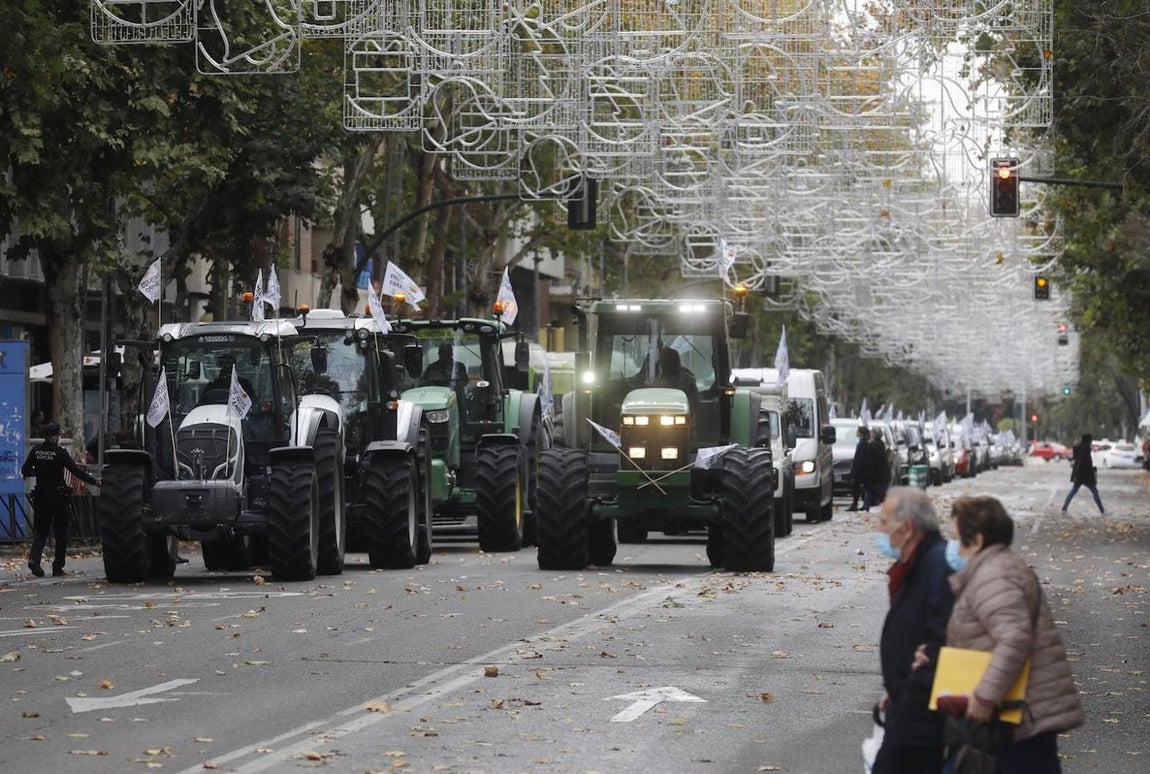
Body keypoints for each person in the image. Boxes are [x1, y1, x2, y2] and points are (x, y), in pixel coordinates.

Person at [943, 496, 1083, 773]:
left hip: (1017, 718)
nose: (954, 549)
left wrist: (985, 697)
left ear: (978, 540)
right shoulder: (996, 569)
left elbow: (1014, 638)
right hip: (1016, 714)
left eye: (958, 539)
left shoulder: (995, 575)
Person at [872, 487, 955, 774]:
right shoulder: (915, 565)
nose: (879, 530)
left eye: (884, 522)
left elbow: (943, 637)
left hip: (922, 719)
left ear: (907, 528)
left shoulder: (936, 565)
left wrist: (909, 692)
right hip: (909, 712)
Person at [21, 422, 102, 577]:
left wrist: (36, 471)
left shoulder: (35, 451)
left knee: (41, 532)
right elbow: (76, 471)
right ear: (53, 436)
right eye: (58, 435)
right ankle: (57, 567)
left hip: (41, 497)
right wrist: (95, 482)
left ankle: (34, 560)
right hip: (58, 498)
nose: (59, 437)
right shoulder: (60, 453)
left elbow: (25, 470)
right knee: (61, 534)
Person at [1061, 433, 1104, 514]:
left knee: (1073, 491)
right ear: (1088, 440)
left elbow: (1077, 461)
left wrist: (1077, 475)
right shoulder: (1085, 449)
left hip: (1079, 474)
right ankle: (1102, 509)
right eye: (1090, 439)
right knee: (1094, 491)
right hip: (1085, 475)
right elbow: (1083, 463)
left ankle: (1064, 507)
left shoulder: (1078, 447)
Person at [849, 424, 874, 511]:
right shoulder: (864, 443)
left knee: (858, 487)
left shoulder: (862, 444)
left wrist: (855, 469)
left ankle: (859, 504)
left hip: (861, 470)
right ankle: (864, 504)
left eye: (858, 431)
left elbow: (859, 458)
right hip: (864, 470)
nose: (857, 433)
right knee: (864, 487)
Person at [870, 427, 892, 506]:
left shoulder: (874, 444)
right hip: (882, 468)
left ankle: (878, 498)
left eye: (872, 432)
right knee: (881, 485)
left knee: (877, 485)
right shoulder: (881, 444)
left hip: (877, 469)